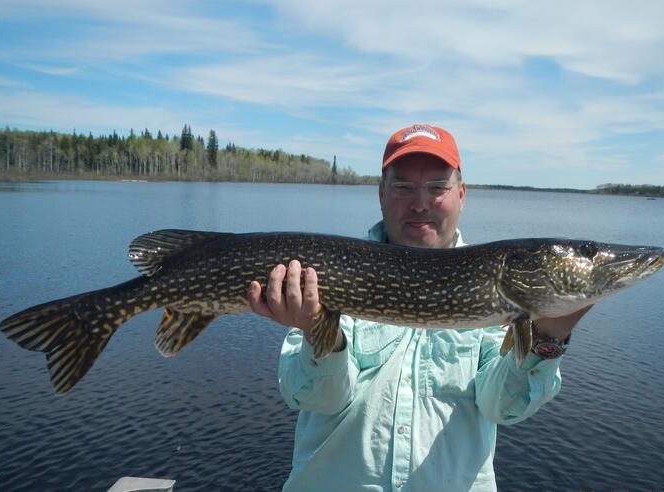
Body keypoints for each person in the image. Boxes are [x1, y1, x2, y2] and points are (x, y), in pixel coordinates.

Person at [247, 124, 591, 491]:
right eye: (404, 187)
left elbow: (502, 406)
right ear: (381, 193)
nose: (420, 203)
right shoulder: (327, 273)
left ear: (461, 194)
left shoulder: (497, 292)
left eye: (437, 187)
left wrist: (551, 334)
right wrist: (316, 330)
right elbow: (317, 396)